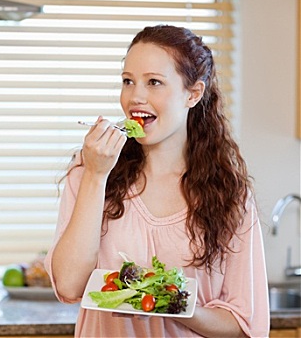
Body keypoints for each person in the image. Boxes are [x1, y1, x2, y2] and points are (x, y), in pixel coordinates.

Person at [44, 25, 269, 337]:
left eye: (154, 82)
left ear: (193, 94)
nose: (136, 96)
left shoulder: (230, 195)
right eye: (128, 81)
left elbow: (244, 326)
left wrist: (173, 303)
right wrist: (97, 176)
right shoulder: (89, 170)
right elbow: (69, 286)